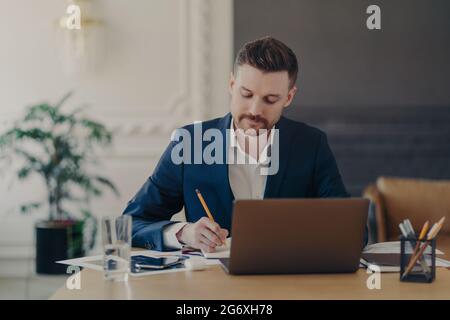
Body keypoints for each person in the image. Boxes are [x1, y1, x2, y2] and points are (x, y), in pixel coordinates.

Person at [123, 36, 358, 253]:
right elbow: (130, 223)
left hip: (288, 287)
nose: (255, 110)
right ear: (232, 84)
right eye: (246, 94)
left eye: (270, 99)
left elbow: (354, 232)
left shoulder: (311, 144)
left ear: (288, 97)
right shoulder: (191, 143)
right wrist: (184, 233)